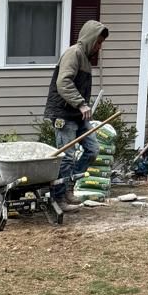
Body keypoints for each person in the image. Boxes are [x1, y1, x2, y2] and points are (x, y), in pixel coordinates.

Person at [45, 20, 109, 193]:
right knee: (66, 157)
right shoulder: (73, 53)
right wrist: (81, 104)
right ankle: (59, 196)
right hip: (64, 115)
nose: (99, 47)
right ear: (89, 38)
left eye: (101, 43)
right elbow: (63, 82)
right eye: (98, 42)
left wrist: (82, 108)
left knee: (93, 150)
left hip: (77, 115)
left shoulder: (85, 59)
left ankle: (68, 185)